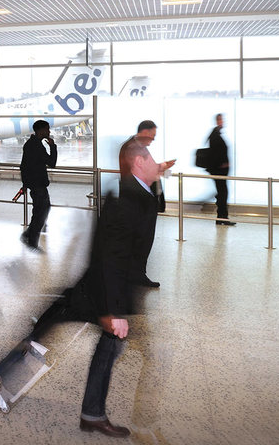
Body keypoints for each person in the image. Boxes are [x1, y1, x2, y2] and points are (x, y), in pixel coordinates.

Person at [78, 140, 161, 437]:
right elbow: (112, 257)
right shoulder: (128, 199)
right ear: (138, 162)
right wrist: (114, 310)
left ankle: (92, 413)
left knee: (108, 351)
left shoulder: (137, 191)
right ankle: (94, 414)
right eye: (151, 158)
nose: (155, 162)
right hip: (110, 291)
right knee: (109, 350)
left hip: (116, 289)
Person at [119, 120, 175, 287]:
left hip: (141, 200)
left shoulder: (135, 146)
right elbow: (143, 172)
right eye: (152, 136)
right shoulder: (132, 147)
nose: (153, 139)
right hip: (138, 201)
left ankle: (135, 273)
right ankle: (135, 274)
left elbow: (148, 170)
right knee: (140, 238)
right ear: (144, 132)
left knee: (140, 239)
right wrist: (162, 167)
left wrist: (162, 167)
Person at [20, 120, 57, 249]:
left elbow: (23, 166)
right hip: (39, 184)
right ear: (40, 130)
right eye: (47, 129)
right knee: (41, 212)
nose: (49, 131)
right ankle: (32, 241)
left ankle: (28, 236)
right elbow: (52, 163)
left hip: (34, 184)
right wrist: (53, 146)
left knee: (40, 211)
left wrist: (25, 183)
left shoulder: (29, 144)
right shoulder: (37, 146)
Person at [207, 113, 234, 226]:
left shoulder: (216, 134)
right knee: (222, 193)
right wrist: (222, 164)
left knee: (222, 193)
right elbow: (216, 153)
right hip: (218, 171)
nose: (222, 122)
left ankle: (222, 217)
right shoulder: (215, 135)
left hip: (220, 170)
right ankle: (222, 217)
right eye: (220, 120)